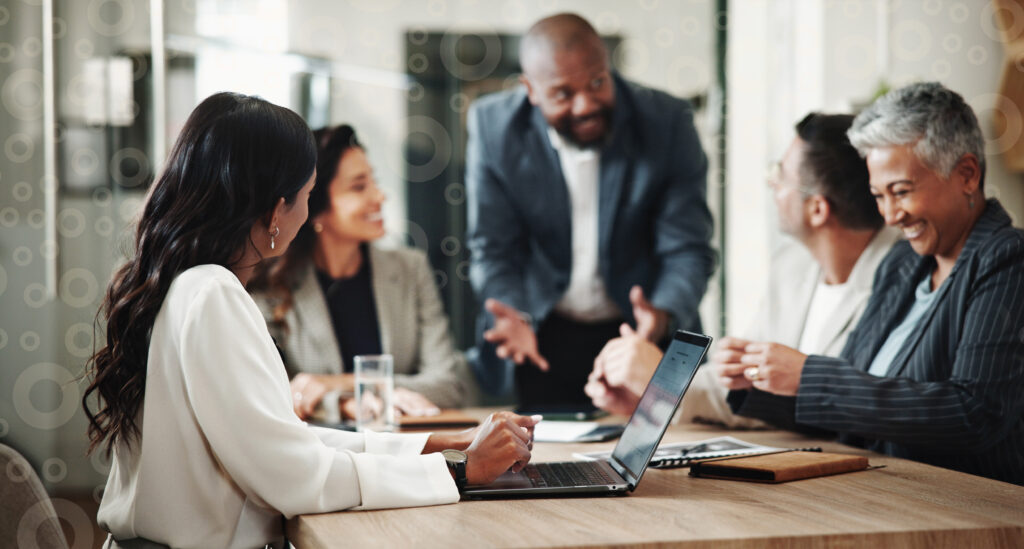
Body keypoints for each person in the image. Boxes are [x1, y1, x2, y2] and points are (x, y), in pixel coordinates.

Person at [81, 92, 539, 549]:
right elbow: (294, 477)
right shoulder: (214, 294)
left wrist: (441, 443)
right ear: (276, 211)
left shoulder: (185, 284)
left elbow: (284, 440)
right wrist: (459, 470)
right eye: (307, 192)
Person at [719, 83, 1024, 485]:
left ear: (967, 174)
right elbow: (855, 409)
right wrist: (755, 382)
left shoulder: (1007, 261)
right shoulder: (902, 263)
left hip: (962, 508)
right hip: (880, 490)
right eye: (878, 195)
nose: (890, 215)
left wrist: (809, 376)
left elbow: (974, 413)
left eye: (901, 192)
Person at [466, 13, 715, 407]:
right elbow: (493, 248)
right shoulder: (493, 127)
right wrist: (512, 313)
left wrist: (662, 314)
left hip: (639, 337)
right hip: (541, 335)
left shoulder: (666, 122)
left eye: (598, 82)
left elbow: (687, 249)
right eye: (563, 94)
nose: (585, 106)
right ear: (530, 89)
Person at [586, 113, 900, 426]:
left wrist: (664, 379)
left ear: (817, 209)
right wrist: (652, 395)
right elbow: (745, 389)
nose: (771, 182)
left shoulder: (901, 278)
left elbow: (845, 410)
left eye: (781, 174)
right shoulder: (792, 266)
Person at [249, 124, 465, 421]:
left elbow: (447, 385)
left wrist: (341, 384)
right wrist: (343, 404)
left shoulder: (410, 269)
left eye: (373, 181)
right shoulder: (271, 286)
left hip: (411, 446)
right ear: (316, 205)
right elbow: (273, 394)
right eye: (359, 186)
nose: (380, 197)